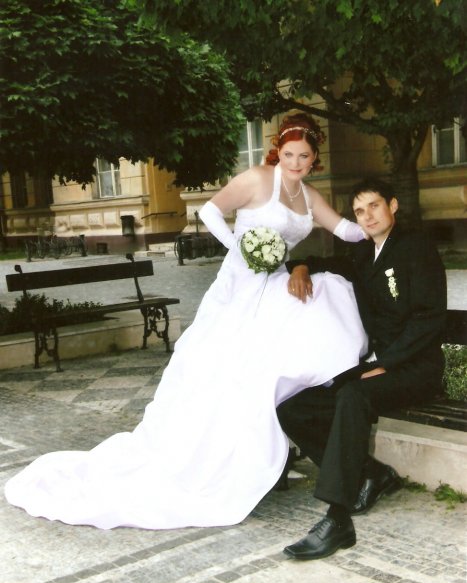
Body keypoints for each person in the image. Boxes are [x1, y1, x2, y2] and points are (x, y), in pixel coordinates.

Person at [4, 113, 368, 530]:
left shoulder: (309, 195)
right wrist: (240, 248)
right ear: (278, 152)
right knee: (219, 371)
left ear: (314, 158)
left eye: (304, 157)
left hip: (275, 285)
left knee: (275, 355)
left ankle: (257, 452)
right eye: (289, 155)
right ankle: (210, 459)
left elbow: (344, 230)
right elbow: (211, 211)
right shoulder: (256, 179)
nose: (296, 163)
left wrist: (376, 226)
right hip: (239, 286)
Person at [277, 177, 447, 560]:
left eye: (374, 206)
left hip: (416, 368)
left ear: (392, 205)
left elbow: (428, 319)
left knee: (352, 396)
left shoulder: (416, 248)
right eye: (359, 211)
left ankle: (337, 518)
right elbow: (327, 263)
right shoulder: (363, 253)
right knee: (294, 408)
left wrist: (385, 364)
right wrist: (299, 267)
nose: (367, 216)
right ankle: (372, 473)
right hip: (380, 366)